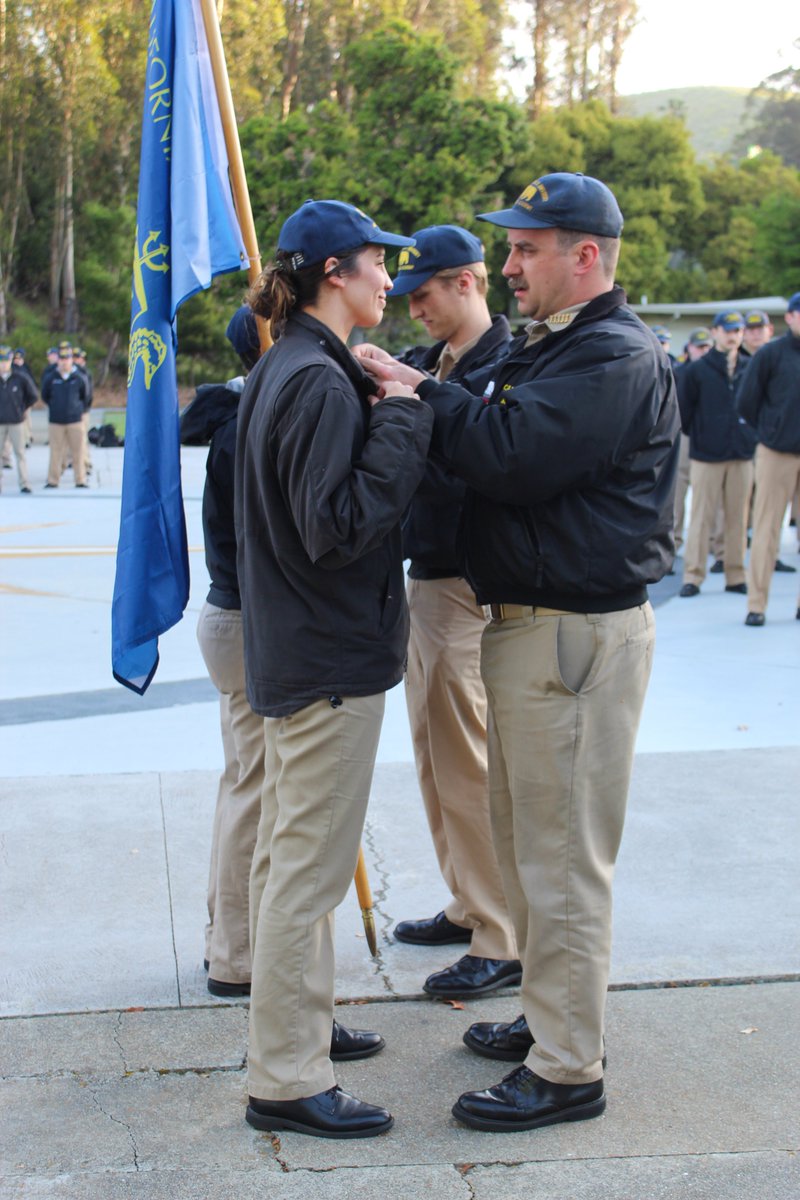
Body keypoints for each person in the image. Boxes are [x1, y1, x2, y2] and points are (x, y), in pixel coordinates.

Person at [358, 172, 678, 1132]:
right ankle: (549, 1018)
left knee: (563, 862)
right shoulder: (564, 346)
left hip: (572, 634)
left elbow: (509, 454)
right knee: (529, 845)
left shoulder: (612, 354)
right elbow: (492, 434)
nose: (509, 265)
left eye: (526, 248)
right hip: (532, 627)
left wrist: (424, 392)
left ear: (586, 256)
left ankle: (570, 1067)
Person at [235, 199, 433, 1139]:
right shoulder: (315, 379)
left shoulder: (294, 364)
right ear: (332, 274)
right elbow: (337, 529)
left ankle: (295, 1030)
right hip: (326, 661)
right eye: (376, 263)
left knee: (292, 863)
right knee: (306, 875)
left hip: (302, 651)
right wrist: (402, 416)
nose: (391, 278)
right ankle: (284, 1077)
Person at [386, 224, 519, 998]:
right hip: (427, 576)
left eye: (426, 294)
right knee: (436, 760)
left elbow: (480, 464)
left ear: (468, 282)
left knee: (469, 766)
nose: (416, 310)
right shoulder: (430, 365)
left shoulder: (507, 363)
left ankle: (502, 932)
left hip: (467, 586)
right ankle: (470, 901)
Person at [179, 306, 265, 999]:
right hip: (247, 620)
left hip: (232, 618)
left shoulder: (240, 414)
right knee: (256, 793)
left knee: (244, 784)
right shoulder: (249, 426)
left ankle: (224, 936)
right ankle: (236, 954)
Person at [677, 311, 755, 597]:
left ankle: (735, 574)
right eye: (728, 330)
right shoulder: (697, 370)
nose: (733, 335)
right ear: (715, 332)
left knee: (738, 517)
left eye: (738, 330)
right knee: (701, 517)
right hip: (707, 455)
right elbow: (684, 413)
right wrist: (702, 434)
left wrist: (749, 434)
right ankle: (693, 576)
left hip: (741, 454)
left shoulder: (749, 366)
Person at [737, 292, 800, 625]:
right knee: (766, 531)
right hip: (776, 453)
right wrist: (771, 432)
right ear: (789, 317)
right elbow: (746, 402)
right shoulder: (772, 354)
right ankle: (757, 605)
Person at [672, 328, 712, 555]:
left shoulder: (714, 370)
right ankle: (675, 540)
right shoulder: (680, 371)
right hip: (684, 434)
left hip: (706, 435)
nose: (704, 351)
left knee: (708, 497)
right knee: (679, 491)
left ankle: (714, 543)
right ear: (689, 348)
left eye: (707, 346)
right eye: (700, 347)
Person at [41, 343, 90, 488]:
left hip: (75, 420)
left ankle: (80, 479)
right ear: (58, 360)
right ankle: (53, 480)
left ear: (71, 360)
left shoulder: (79, 377)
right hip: (56, 421)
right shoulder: (51, 377)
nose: (64, 362)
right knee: (56, 452)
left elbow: (86, 396)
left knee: (78, 452)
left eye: (67, 358)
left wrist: (78, 409)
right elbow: (45, 395)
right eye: (61, 359)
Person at [0, 346, 37, 493]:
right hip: (0, 423)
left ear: (11, 361)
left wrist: (21, 409)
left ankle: (24, 483)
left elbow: (33, 395)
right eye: (1, 361)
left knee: (20, 453)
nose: (3, 364)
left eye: (6, 361)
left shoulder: (20, 377)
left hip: (17, 422)